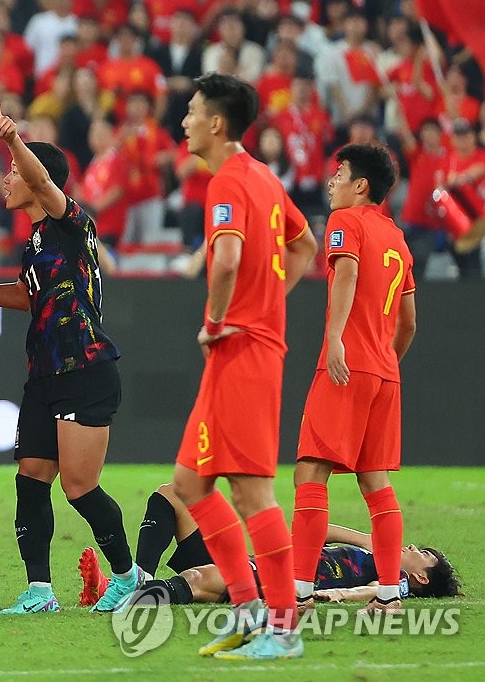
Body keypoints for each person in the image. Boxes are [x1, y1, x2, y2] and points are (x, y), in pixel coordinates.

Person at [0, 100, 137, 614]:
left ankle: (126, 576)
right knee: (31, 477)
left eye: (13, 172)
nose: (6, 180)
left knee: (81, 488)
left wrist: (14, 141)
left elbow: (41, 185)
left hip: (85, 371)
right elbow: (24, 294)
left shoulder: (71, 226)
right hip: (44, 375)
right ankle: (40, 590)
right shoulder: (36, 240)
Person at [172, 74, 317, 659]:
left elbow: (227, 257)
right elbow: (305, 246)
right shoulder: (264, 176)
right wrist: (266, 302)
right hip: (245, 346)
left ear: (216, 124)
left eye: (190, 111)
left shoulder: (230, 182)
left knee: (253, 492)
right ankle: (250, 610)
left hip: (242, 351)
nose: (183, 121)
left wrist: (217, 319)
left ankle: (283, 631)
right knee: (190, 483)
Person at [292, 144, 418, 616]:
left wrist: (338, 339)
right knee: (376, 483)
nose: (331, 182)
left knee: (311, 471)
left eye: (339, 173)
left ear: (360, 185)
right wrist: (386, 360)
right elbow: (408, 322)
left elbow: (345, 273)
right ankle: (388, 596)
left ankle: (299, 593)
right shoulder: (398, 238)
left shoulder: (347, 221)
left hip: (346, 365)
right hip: (384, 373)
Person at [121, 483, 459, 606]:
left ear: (422, 579)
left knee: (196, 580)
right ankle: (142, 578)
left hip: (272, 579)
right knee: (174, 493)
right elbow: (315, 532)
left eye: (423, 555)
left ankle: (130, 599)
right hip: (261, 558)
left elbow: (373, 590)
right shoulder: (373, 554)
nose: (414, 548)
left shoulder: (396, 582)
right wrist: (372, 541)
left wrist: (342, 594)